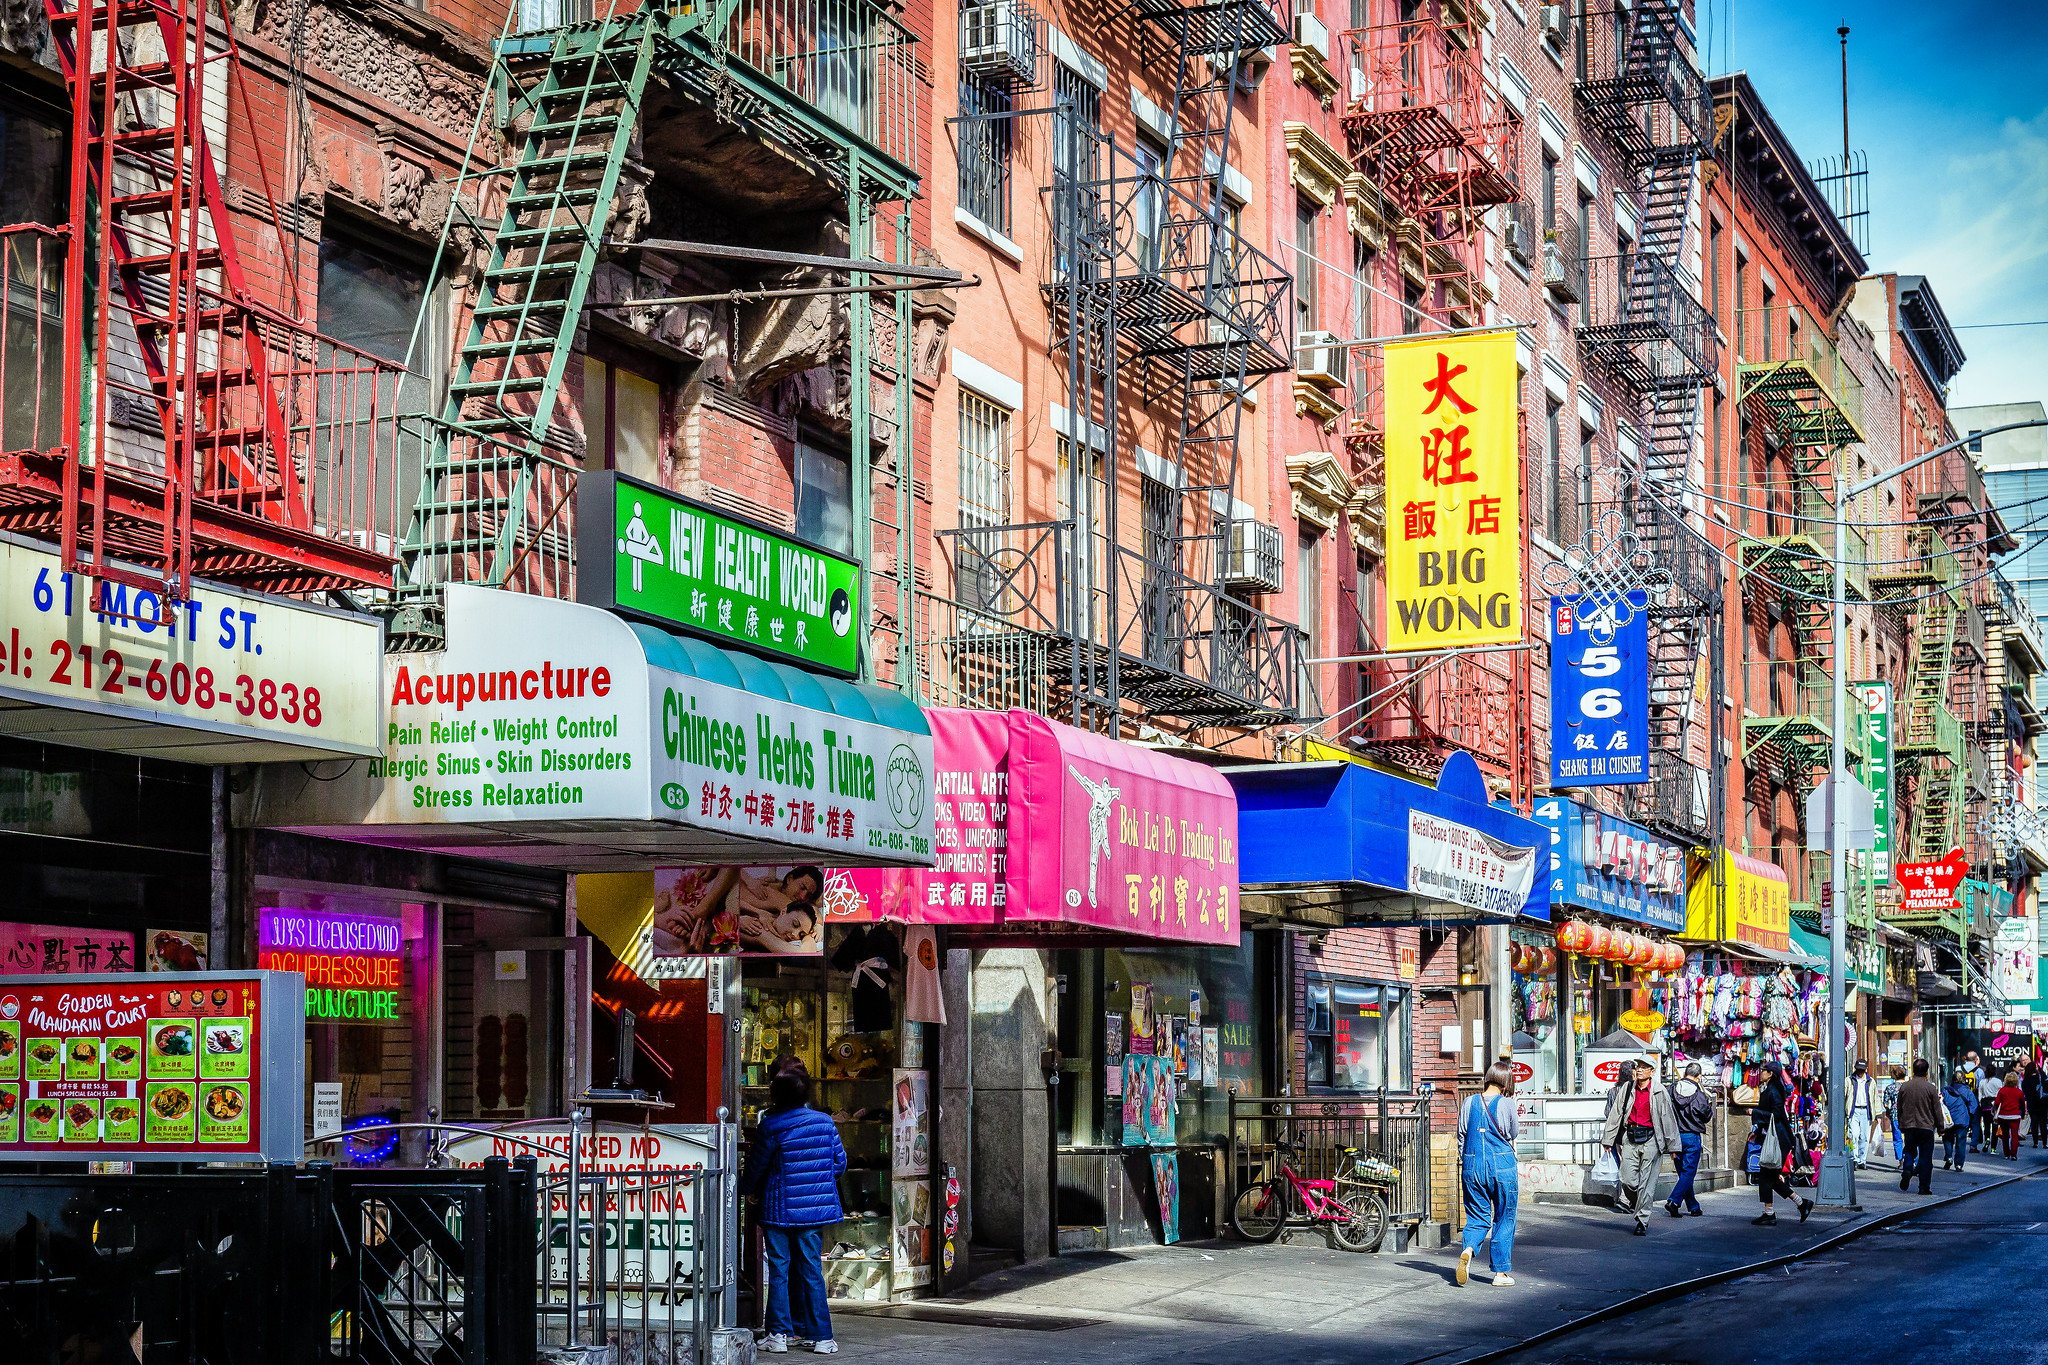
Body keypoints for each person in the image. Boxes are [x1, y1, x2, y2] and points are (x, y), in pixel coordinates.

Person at [747, 1071, 848, 1355]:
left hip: (778, 1209)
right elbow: (840, 1164)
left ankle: (778, 1335)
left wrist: (748, 1189)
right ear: (807, 1095)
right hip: (814, 1212)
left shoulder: (771, 1125)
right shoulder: (825, 1122)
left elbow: (758, 1166)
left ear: (775, 1095)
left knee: (779, 1270)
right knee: (811, 1270)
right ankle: (822, 1337)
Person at [1456, 1061, 1521, 1287]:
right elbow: (1513, 1132)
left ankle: (1468, 1248)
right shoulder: (1507, 1104)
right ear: (1506, 1082)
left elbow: (1461, 1136)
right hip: (1502, 1165)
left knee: (1477, 1216)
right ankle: (1500, 1273)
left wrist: (1467, 1161)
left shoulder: (1468, 1102)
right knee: (1504, 1216)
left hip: (1472, 1166)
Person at [1600, 1057, 1680, 1236]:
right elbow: (1615, 1114)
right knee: (1627, 1179)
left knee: (1647, 1184)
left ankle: (1642, 1220)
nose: (1640, 1070)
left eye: (1645, 1067)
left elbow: (1668, 1119)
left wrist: (1673, 1147)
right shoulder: (1627, 1088)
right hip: (1630, 1137)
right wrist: (1608, 1139)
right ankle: (1639, 1203)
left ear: (1652, 1071)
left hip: (1652, 1139)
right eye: (1638, 1067)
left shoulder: (1660, 1091)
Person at [1748, 1064, 1812, 1225]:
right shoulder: (1769, 1089)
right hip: (1775, 1138)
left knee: (1766, 1177)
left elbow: (1776, 1115)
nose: (1761, 1073)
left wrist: (1755, 1113)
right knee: (1770, 1177)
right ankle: (1800, 1203)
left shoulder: (1773, 1091)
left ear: (1770, 1074)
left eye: (1764, 1070)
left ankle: (1770, 1213)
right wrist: (1756, 1131)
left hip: (1779, 1140)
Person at [1663, 1062, 1713, 1217]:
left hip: (1674, 1136)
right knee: (1688, 1173)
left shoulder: (1670, 1089)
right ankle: (1673, 1200)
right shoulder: (1700, 1095)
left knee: (1684, 1174)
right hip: (1691, 1136)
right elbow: (1706, 1116)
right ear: (1698, 1077)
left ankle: (1693, 1207)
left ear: (1685, 1073)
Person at [1897, 1058, 1945, 1195]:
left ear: (1913, 1070)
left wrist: (1901, 1123)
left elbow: (1899, 1107)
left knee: (1910, 1150)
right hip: (1926, 1127)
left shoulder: (1905, 1087)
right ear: (1926, 1072)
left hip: (1909, 1125)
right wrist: (1941, 1127)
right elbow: (1937, 1110)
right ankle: (1924, 1187)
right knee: (1925, 1157)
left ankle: (1907, 1169)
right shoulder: (1930, 1088)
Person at [1941, 1067, 1975, 1171]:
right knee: (1961, 1141)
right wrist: (1970, 1115)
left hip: (1949, 1119)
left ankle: (1949, 1157)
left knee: (1947, 1139)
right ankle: (1959, 1164)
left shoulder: (1945, 1090)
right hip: (1962, 1119)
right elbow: (1973, 1106)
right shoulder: (1968, 1091)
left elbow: (1941, 1103)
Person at [1846, 1060, 1876, 1169]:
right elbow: (1845, 1095)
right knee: (1853, 1135)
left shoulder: (1870, 1081)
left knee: (1864, 1137)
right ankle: (1854, 1158)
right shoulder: (1849, 1080)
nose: (1860, 1072)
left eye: (1862, 1070)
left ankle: (1862, 1160)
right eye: (1858, 1070)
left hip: (1866, 1111)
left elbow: (1874, 1097)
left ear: (1865, 1070)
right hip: (1853, 1111)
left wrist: (1876, 1114)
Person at [1996, 1070, 2026, 1161]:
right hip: (2015, 1115)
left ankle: (2006, 1153)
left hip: (2003, 1115)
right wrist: (2023, 1114)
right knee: (2014, 1135)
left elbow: (1997, 1103)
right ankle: (2013, 1154)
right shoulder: (2019, 1092)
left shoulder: (2002, 1090)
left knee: (2005, 1135)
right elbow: (2022, 1104)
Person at [1881, 1064, 1905, 1167]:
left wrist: (1888, 1110)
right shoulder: (1909, 1085)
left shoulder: (1890, 1088)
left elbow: (1885, 1103)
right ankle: (1912, 1159)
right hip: (1909, 1115)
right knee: (1911, 1139)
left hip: (1895, 1115)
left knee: (1897, 1138)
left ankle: (1900, 1159)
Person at [1978, 1065, 2005, 1151]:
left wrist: (1980, 1104)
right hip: (1995, 1105)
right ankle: (1993, 1147)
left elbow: (1980, 1095)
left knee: (1986, 1125)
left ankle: (1987, 1139)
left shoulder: (1982, 1082)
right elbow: (2001, 1094)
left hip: (1985, 1104)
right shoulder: (1998, 1081)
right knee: (1995, 1126)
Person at [2025, 1062, 2048, 1149]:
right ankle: (2045, 1143)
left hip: (2032, 1104)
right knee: (2043, 1123)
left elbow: (2026, 1092)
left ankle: (2035, 1142)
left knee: (2034, 1123)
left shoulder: (2026, 1080)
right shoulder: (2041, 1077)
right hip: (2042, 1102)